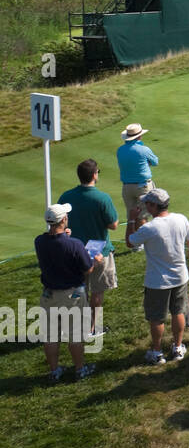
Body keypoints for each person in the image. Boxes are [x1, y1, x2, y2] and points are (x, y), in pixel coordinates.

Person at [125, 188, 189, 364]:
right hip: (180, 277)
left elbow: (129, 241)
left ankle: (157, 352)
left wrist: (131, 219)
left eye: (147, 203)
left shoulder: (150, 228)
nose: (144, 206)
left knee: (157, 318)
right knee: (178, 312)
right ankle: (178, 347)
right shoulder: (181, 219)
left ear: (153, 206)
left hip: (157, 282)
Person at [34, 204, 97, 382]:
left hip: (49, 295)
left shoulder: (39, 241)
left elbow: (55, 245)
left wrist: (65, 237)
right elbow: (88, 269)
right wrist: (93, 258)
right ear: (64, 220)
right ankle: (80, 369)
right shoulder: (74, 244)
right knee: (75, 334)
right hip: (72, 295)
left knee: (51, 336)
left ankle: (54, 371)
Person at [58, 158, 119, 339]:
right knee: (97, 291)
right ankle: (92, 328)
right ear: (94, 175)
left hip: (73, 251)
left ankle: (75, 326)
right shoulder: (102, 198)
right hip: (98, 251)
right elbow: (113, 225)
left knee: (78, 291)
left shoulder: (66, 196)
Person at [116, 123, 158, 252]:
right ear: (139, 137)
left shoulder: (120, 150)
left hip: (127, 187)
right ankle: (143, 244)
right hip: (142, 186)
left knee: (131, 215)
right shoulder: (144, 149)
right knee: (143, 216)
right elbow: (155, 162)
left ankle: (135, 245)